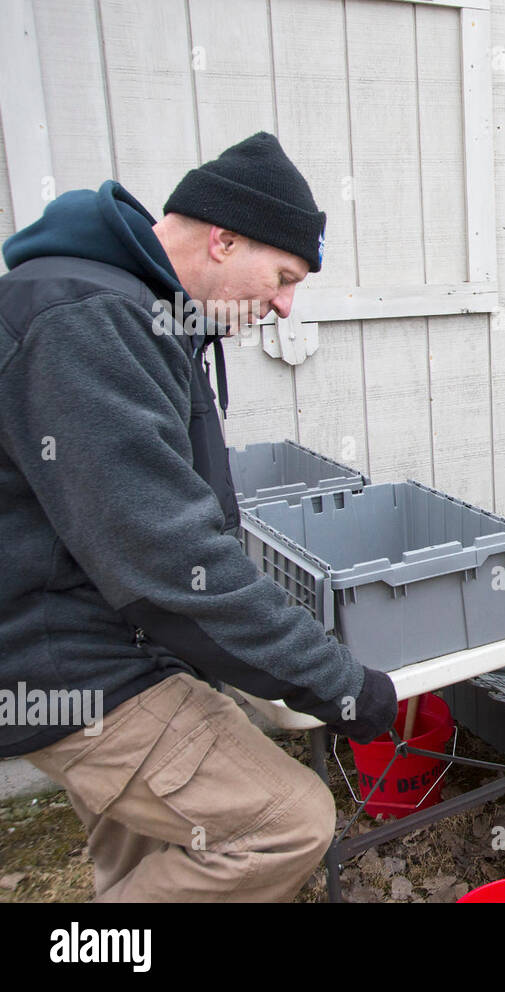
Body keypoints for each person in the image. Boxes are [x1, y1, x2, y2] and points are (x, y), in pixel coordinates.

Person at [0, 132, 398, 901]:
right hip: (72, 662)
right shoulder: (89, 322)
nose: (286, 305)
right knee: (286, 821)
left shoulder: (127, 306)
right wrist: (342, 684)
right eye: (283, 277)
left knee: (149, 844)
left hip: (88, 642)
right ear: (223, 238)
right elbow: (167, 557)